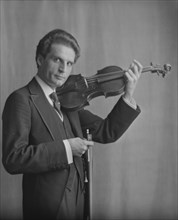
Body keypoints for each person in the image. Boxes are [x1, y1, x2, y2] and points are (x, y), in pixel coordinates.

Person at [2, 29, 142, 220]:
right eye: (57, 60)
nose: (63, 69)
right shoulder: (21, 99)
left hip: (78, 206)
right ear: (40, 60)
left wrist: (128, 94)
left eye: (69, 63)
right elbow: (13, 158)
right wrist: (67, 148)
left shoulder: (69, 102)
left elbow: (107, 132)